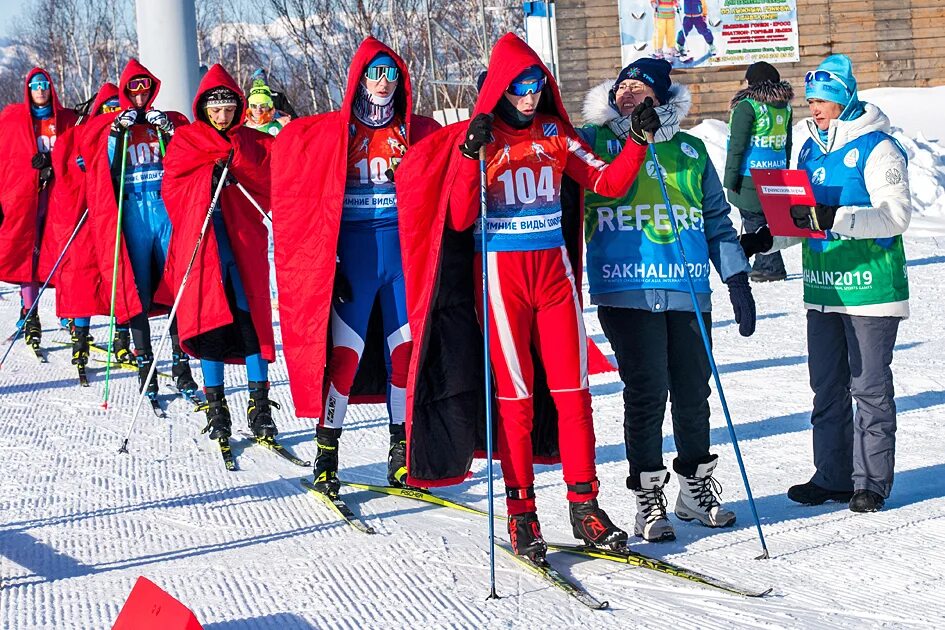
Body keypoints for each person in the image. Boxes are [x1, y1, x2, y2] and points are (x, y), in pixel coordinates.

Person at [393, 33, 661, 560]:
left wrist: (638, 141)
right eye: (519, 86)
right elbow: (460, 217)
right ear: (499, 88)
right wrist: (472, 155)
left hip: (554, 279)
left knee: (573, 394)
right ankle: (522, 515)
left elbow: (606, 183)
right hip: (500, 279)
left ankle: (585, 506)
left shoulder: (556, 133)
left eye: (537, 84)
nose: (530, 95)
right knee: (515, 401)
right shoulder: (483, 139)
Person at [578, 58, 754, 542]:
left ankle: (695, 493)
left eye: (639, 87)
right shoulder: (594, 144)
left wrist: (736, 279)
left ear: (662, 97)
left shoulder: (692, 150)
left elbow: (717, 221)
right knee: (648, 391)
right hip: (626, 286)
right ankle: (647, 499)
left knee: (694, 392)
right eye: (622, 87)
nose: (628, 93)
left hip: (688, 288)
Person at [742, 54, 911, 513]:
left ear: (843, 98)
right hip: (823, 289)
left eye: (822, 100)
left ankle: (870, 483)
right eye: (811, 100)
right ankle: (833, 476)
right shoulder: (809, 150)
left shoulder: (878, 146)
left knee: (869, 389)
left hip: (871, 289)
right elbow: (802, 222)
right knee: (827, 388)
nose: (813, 108)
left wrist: (837, 217)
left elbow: (895, 217)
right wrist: (765, 239)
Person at [270, 39, 440, 495]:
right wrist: (328, 262)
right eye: (375, 74)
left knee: (404, 358)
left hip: (402, 258)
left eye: (391, 75)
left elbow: (454, 159)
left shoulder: (415, 130)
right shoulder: (338, 133)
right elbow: (293, 160)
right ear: (360, 79)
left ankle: (401, 452)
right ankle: (327, 455)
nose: (383, 83)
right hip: (356, 259)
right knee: (344, 361)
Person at [163, 64, 278, 441]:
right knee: (209, 321)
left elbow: (270, 180)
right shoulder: (187, 141)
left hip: (243, 246)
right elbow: (173, 189)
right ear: (204, 108)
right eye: (216, 110)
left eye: (229, 109)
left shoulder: (252, 142)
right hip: (204, 248)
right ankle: (217, 406)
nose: (223, 117)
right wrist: (206, 178)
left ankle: (259, 405)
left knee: (251, 322)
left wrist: (237, 167)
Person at [82, 59, 198, 400]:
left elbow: (186, 155)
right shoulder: (114, 124)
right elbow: (100, 163)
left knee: (176, 286)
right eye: (133, 89)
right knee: (138, 291)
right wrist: (117, 132)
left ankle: (181, 365)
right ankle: (145, 365)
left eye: (145, 88)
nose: (139, 95)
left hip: (163, 210)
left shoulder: (163, 122)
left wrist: (171, 132)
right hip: (133, 211)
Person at [39, 83, 124, 377]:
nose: (113, 114)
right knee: (84, 278)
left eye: (117, 107)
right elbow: (68, 175)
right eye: (108, 108)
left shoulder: (129, 132)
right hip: (89, 219)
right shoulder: (81, 135)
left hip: (123, 216)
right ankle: (80, 337)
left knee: (121, 278)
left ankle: (123, 336)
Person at [0, 68, 77, 351]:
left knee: (64, 253)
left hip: (59, 198)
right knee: (27, 255)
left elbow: (75, 152)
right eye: (35, 85)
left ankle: (69, 312)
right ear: (28, 90)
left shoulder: (65, 120)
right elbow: (9, 157)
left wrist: (51, 162)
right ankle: (30, 312)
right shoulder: (17, 121)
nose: (41, 90)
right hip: (28, 200)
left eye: (45, 84)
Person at [724, 61, 793, 282]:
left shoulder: (748, 106)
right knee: (767, 218)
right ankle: (767, 263)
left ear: (751, 83)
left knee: (754, 218)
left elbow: (737, 145)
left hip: (749, 175)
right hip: (776, 171)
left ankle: (769, 266)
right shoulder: (784, 106)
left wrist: (730, 178)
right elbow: (787, 144)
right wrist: (785, 171)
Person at [243, 70, 291, 136]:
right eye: (254, 106)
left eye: (263, 105)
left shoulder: (281, 125)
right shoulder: (242, 127)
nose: (258, 109)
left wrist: (287, 122)